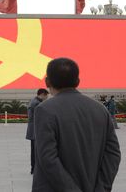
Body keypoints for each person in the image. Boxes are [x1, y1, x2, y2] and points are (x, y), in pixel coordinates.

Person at [32, 58, 121, 192]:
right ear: (77, 81)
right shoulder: (99, 109)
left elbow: (48, 158)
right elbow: (113, 154)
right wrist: (102, 188)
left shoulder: (45, 110)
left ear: (47, 82)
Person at [26, 88, 49, 175]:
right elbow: (39, 118)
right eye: (46, 96)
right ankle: (35, 169)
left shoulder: (34, 101)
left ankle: (34, 168)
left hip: (33, 130)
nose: (47, 98)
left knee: (34, 150)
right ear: (42, 94)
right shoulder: (37, 104)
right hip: (35, 131)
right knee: (36, 151)